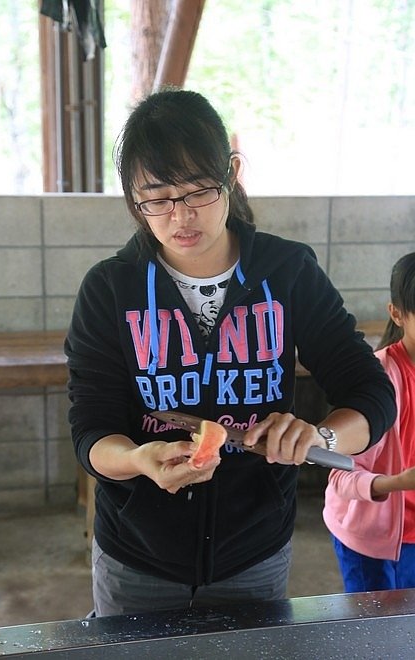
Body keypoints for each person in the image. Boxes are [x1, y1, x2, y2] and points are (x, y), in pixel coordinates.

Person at [64, 88, 396, 617]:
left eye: (198, 190)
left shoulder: (288, 272)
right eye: (157, 197)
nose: (180, 215)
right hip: (137, 555)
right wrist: (135, 460)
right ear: (133, 200)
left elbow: (371, 392)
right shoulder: (110, 290)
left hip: (254, 551)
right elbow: (90, 427)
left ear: (231, 173)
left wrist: (321, 436)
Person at [323, 252, 415, 593]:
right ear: (397, 313)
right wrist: (397, 483)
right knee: (374, 631)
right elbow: (340, 475)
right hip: (369, 537)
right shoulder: (377, 383)